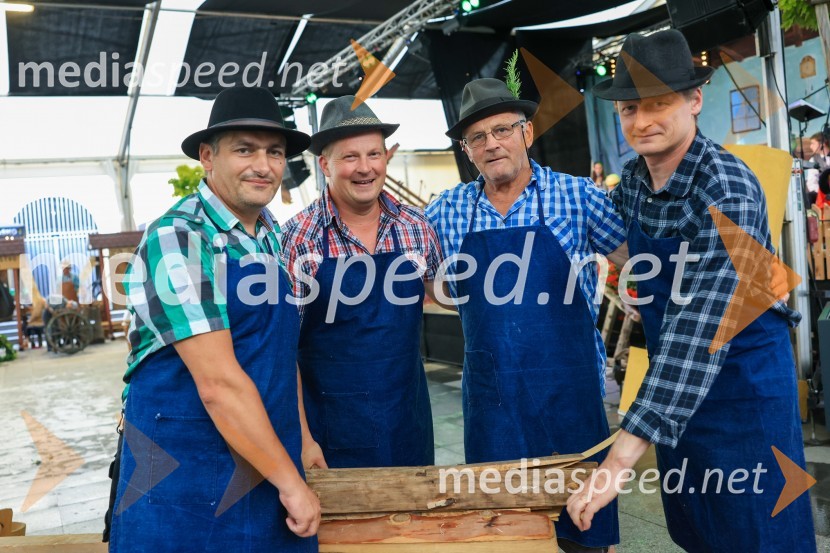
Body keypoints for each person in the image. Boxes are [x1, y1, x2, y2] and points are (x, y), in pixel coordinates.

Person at [568, 29, 816, 552]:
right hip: (680, 401)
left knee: (758, 531)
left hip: (741, 391)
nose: (643, 121)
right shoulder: (633, 179)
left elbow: (698, 331)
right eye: (631, 108)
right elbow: (626, 251)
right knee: (700, 529)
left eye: (659, 104)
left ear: (695, 99)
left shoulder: (728, 186)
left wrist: (618, 461)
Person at [108, 87, 321, 552]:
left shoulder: (271, 237)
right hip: (183, 473)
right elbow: (219, 384)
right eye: (244, 149)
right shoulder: (179, 238)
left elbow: (280, 354)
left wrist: (303, 439)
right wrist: (290, 482)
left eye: (275, 152)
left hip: (264, 455)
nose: (262, 165)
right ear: (207, 156)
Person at [426, 77, 627, 553]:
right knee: (502, 535)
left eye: (502, 129)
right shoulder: (448, 211)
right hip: (493, 405)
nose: (492, 143)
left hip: (569, 398)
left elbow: (635, 258)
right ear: (467, 150)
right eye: (477, 137)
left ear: (527, 132)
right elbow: (417, 285)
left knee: (583, 532)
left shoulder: (578, 196)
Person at [281, 96, 442, 469]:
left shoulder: (416, 228)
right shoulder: (299, 239)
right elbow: (283, 352)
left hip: (408, 422)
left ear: (386, 157)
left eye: (374, 154)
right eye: (350, 157)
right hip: (331, 431)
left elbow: (442, 292)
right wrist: (303, 440)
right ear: (324, 164)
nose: (365, 168)